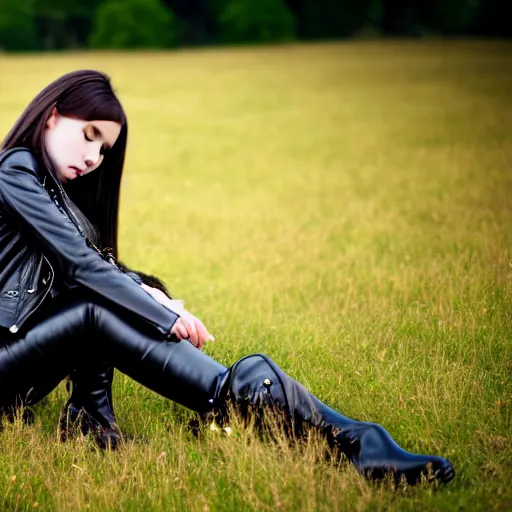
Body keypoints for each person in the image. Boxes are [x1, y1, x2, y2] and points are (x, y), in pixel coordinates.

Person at [0, 70, 454, 486]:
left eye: (104, 149)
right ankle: (333, 434)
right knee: (97, 304)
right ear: (52, 117)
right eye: (89, 135)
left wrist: (145, 287)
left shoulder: (55, 191)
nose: (94, 157)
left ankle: (90, 421)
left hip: (17, 363)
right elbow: (80, 266)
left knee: (111, 293)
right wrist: (155, 311)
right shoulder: (15, 170)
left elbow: (88, 264)